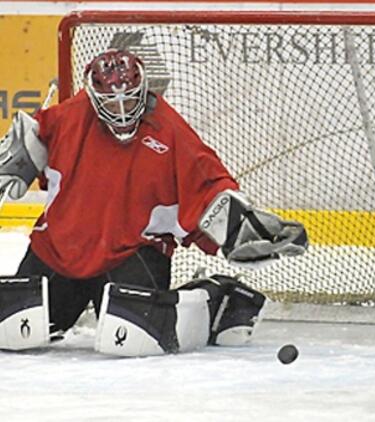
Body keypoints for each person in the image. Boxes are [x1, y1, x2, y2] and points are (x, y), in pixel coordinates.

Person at [0, 49, 307, 356]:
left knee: (138, 338)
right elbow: (31, 139)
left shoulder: (169, 130)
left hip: (132, 253)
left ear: (144, 89)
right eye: (110, 102)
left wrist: (244, 228)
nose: (121, 111)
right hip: (59, 253)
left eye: (130, 99)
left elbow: (207, 184)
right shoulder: (66, 119)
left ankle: (218, 296)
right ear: (93, 98)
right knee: (14, 330)